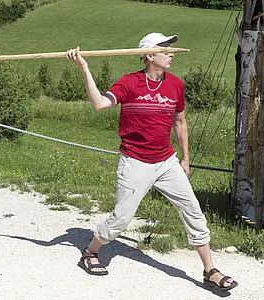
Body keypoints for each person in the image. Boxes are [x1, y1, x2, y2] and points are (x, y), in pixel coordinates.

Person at [66, 33, 238, 291]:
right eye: (165, 49)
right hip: (135, 161)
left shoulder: (176, 85)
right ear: (148, 55)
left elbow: (180, 122)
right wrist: (84, 67)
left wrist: (185, 158)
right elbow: (100, 104)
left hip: (166, 161)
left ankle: (209, 270)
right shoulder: (130, 82)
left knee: (193, 211)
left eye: (171, 48)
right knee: (121, 218)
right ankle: (90, 252)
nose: (171, 53)